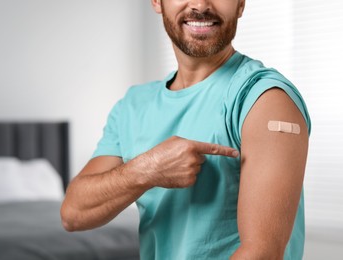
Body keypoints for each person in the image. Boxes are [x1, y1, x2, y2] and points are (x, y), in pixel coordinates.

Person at [61, 0, 311, 259]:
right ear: (157, 2)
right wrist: (148, 169)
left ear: (240, 4)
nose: (201, 5)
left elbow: (262, 254)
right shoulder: (132, 106)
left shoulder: (264, 99)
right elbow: (73, 213)